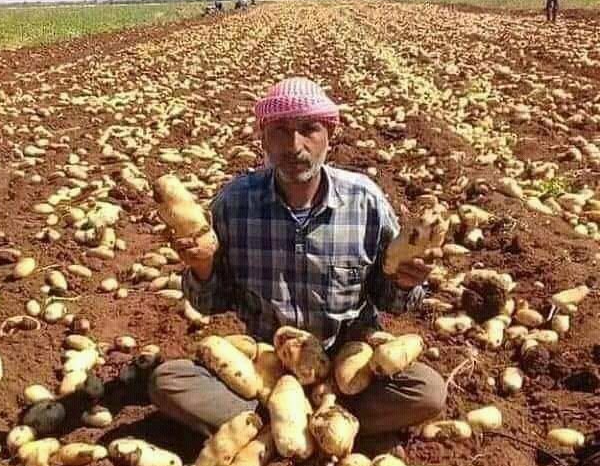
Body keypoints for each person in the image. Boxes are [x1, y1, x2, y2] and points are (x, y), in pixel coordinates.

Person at [148, 77, 446, 442]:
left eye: (309, 129)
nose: (294, 145)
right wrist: (202, 267)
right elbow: (211, 304)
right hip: (267, 370)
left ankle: (295, 426)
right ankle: (303, 425)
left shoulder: (365, 201)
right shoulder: (234, 203)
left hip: (350, 369)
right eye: (280, 131)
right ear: (263, 139)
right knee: (169, 381)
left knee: (427, 391)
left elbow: (390, 300)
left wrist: (404, 282)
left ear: (330, 134)